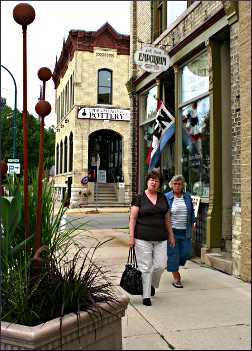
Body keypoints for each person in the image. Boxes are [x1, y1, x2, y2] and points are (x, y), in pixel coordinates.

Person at [129, 170, 175, 306]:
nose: (154, 182)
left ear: (159, 184)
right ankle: (146, 295)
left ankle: (151, 284)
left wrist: (171, 234)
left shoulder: (163, 198)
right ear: (147, 181)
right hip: (142, 237)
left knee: (160, 265)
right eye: (151, 180)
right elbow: (132, 218)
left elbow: (167, 218)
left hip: (161, 238)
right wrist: (131, 237)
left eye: (157, 180)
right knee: (145, 267)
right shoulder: (139, 198)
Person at [165, 175, 196, 288]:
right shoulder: (166, 197)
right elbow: (164, 215)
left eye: (179, 184)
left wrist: (193, 225)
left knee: (186, 253)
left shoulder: (187, 197)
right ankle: (176, 278)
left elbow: (192, 212)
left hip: (185, 230)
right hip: (172, 231)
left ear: (183, 185)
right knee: (173, 255)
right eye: (175, 184)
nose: (177, 186)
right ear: (171, 185)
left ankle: (173, 264)